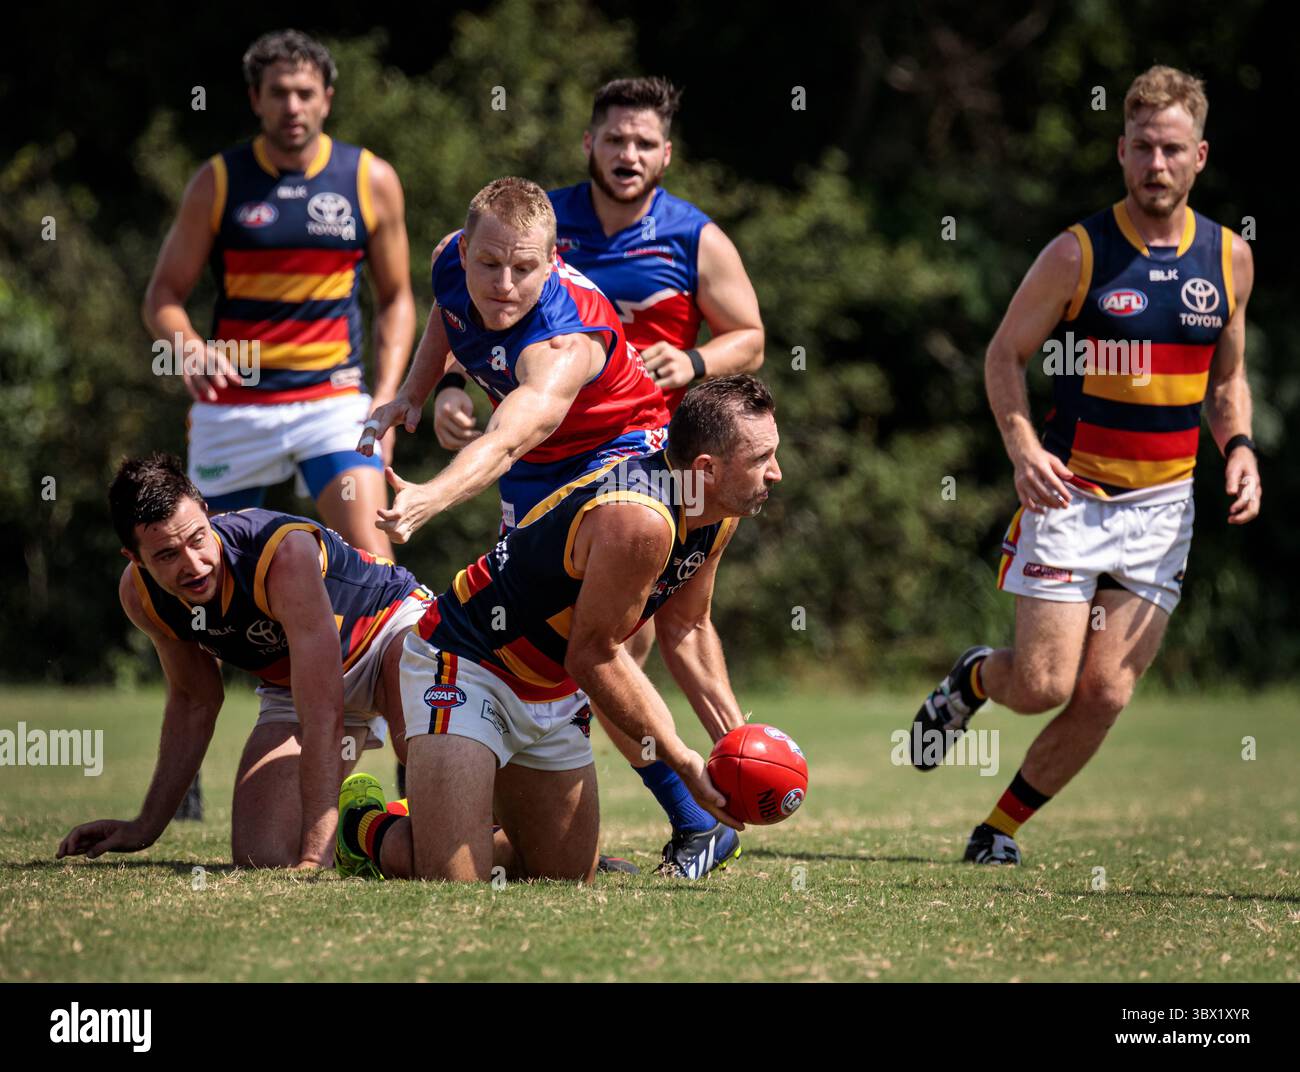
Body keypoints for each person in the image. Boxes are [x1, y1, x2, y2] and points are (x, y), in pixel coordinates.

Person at [910, 66, 1260, 865]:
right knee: (1041, 686)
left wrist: (1238, 449)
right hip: (1071, 494)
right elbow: (1005, 354)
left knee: (1106, 692)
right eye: (1142, 148)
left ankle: (996, 832)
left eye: (1173, 149)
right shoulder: (1079, 252)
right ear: (1120, 150)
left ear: (1200, 155)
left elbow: (1227, 379)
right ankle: (971, 682)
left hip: (1164, 507)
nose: (1157, 165)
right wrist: (1023, 447)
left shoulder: (1230, 259)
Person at [431, 78, 767, 876]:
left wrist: (690, 360)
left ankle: (687, 813)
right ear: (590, 144)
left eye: (644, 143)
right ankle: (526, 816)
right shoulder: (534, 224)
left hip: (645, 450)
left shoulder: (695, 237)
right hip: (535, 457)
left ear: (666, 154)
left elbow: (751, 336)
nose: (628, 155)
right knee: (553, 644)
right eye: (615, 139)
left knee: (616, 640)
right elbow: (472, 306)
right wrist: (443, 387)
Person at [335, 376, 780, 883]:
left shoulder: (717, 510)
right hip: (466, 665)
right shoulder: (639, 520)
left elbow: (689, 627)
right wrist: (683, 760)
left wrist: (735, 745)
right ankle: (364, 828)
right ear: (707, 469)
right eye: (761, 459)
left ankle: (463, 830)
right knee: (454, 884)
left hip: (551, 690)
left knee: (561, 876)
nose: (776, 473)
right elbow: (594, 655)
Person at [56, 454, 429, 870]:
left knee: (427, 779)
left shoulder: (280, 554)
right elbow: (195, 702)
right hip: (295, 685)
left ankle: (455, 812)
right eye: (167, 555)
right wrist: (145, 826)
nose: (193, 565)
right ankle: (362, 825)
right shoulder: (140, 597)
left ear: (206, 513)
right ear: (135, 558)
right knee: (262, 855)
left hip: (389, 632)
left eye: (198, 538)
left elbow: (323, 713)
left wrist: (313, 856)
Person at [142, 29, 414, 556]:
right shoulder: (218, 182)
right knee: (214, 572)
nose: (293, 106)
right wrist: (188, 346)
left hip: (332, 401)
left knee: (373, 560)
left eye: (305, 93)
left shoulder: (369, 178)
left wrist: (388, 398)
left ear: (327, 100)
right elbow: (162, 296)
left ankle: (393, 639)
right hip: (236, 406)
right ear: (256, 99)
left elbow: (397, 298)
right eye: (279, 92)